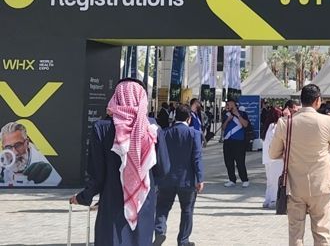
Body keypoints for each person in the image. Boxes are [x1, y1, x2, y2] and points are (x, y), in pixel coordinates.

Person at [70, 78, 170, 246]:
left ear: (116, 97)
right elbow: (164, 168)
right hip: (142, 205)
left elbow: (97, 175)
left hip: (112, 203)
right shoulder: (152, 129)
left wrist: (83, 197)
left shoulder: (101, 128)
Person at [270, 84, 330, 246]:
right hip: (321, 185)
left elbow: (273, 153)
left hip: (294, 185)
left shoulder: (286, 122)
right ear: (317, 100)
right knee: (321, 232)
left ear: (301, 100)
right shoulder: (327, 121)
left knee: (295, 233)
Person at [154, 105, 204, 246]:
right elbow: (197, 158)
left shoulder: (164, 132)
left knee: (162, 207)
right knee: (187, 210)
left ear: (175, 117)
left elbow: (158, 156)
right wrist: (200, 178)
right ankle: (183, 240)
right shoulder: (194, 134)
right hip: (187, 179)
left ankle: (160, 231)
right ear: (189, 119)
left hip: (166, 178)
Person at [0, 122, 62, 186]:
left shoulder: (45, 165)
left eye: (18, 145)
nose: (15, 153)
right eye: (8, 147)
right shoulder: (2, 162)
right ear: (3, 149)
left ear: (27, 143)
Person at [222, 99, 250, 187]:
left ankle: (244, 179)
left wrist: (237, 115)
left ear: (235, 105)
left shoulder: (242, 113)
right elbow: (223, 128)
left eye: (230, 104)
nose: (228, 106)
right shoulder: (226, 114)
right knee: (228, 162)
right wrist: (228, 119)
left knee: (240, 161)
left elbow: (245, 124)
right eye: (227, 104)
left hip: (239, 141)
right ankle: (232, 179)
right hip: (227, 141)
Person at [262, 107, 284, 209]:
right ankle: (273, 200)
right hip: (276, 158)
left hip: (267, 158)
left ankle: (267, 199)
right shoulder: (276, 128)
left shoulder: (268, 127)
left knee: (270, 181)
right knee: (276, 180)